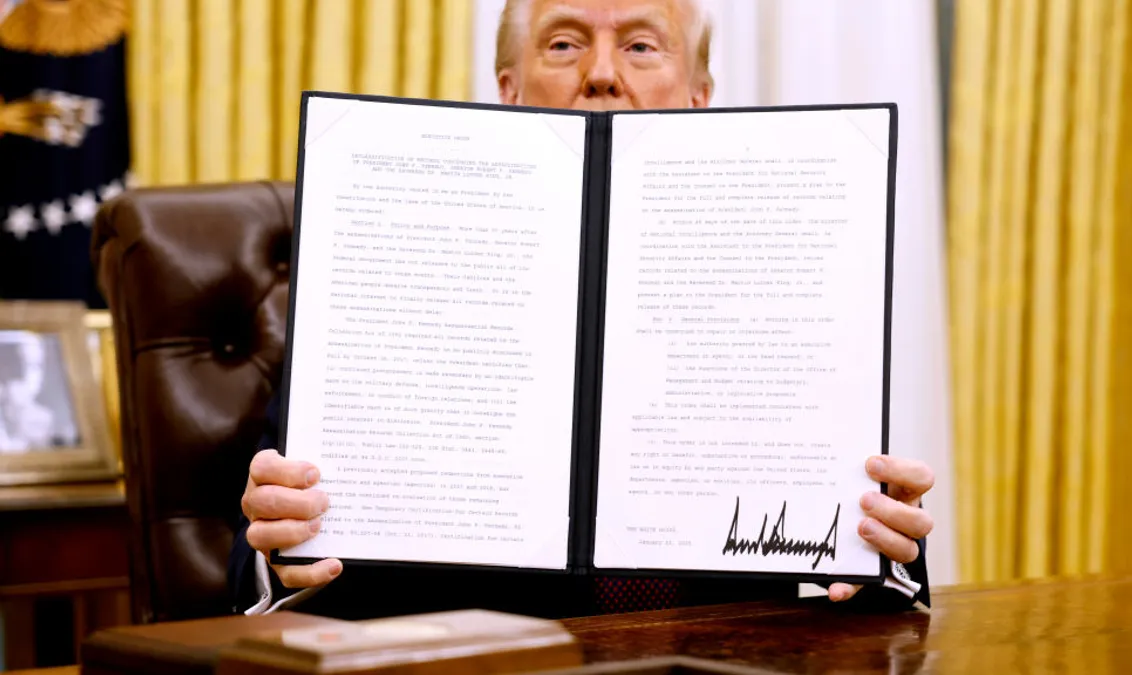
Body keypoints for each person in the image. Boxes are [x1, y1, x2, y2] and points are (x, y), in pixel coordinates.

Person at [229, 0, 936, 618]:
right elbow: (258, 567)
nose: (601, 73)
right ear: (508, 90)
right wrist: (282, 549)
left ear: (699, 94)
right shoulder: (391, 274)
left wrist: (884, 552)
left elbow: (866, 585)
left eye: (640, 45)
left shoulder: (795, 285)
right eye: (564, 43)